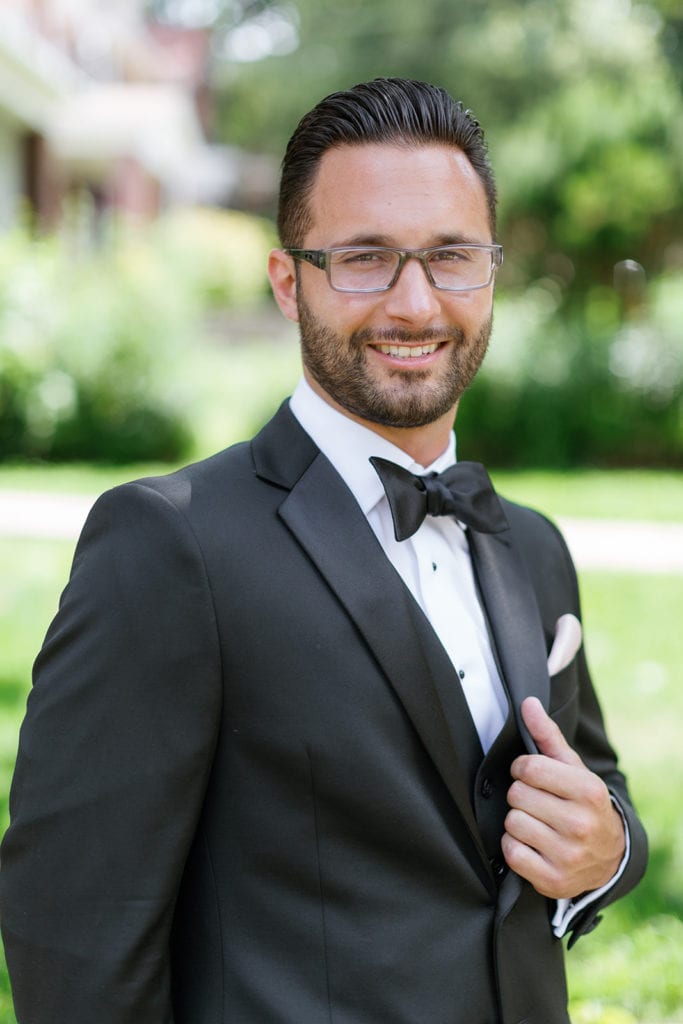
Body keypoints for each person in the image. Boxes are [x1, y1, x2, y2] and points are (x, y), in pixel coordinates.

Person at [0, 78, 647, 1024]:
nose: (414, 302)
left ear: (490, 272)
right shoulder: (171, 544)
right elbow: (76, 931)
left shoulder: (534, 547)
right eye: (364, 258)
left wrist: (610, 854)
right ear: (285, 279)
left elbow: (592, 791)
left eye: (450, 257)